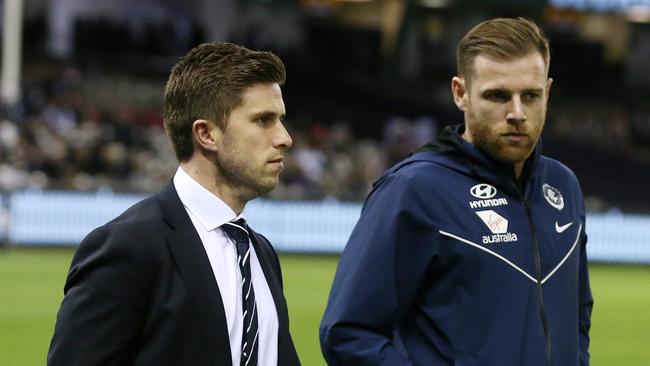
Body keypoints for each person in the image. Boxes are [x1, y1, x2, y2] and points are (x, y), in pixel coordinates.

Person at [320, 17, 592, 366]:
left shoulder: (563, 185)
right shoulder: (414, 190)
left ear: (548, 92)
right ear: (460, 94)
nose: (517, 113)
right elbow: (347, 333)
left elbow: (577, 313)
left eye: (531, 95)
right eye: (497, 96)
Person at [48, 42, 301, 366]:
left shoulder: (260, 252)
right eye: (263, 120)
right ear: (206, 134)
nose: (284, 137)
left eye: (280, 119)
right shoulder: (129, 247)